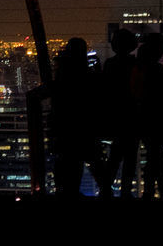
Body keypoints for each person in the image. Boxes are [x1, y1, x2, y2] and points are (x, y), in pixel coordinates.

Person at [51, 37, 103, 198]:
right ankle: (106, 189)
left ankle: (69, 191)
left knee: (71, 160)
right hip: (85, 122)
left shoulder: (62, 70)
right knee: (91, 158)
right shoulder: (86, 72)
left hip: (65, 123)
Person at [100, 28, 139, 198]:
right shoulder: (136, 64)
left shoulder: (109, 64)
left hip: (115, 115)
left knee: (115, 156)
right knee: (130, 156)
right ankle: (126, 190)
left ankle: (106, 189)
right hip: (132, 115)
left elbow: (105, 89)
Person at [132, 32, 163, 200]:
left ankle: (151, 190)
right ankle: (160, 189)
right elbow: (161, 94)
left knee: (153, 155)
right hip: (157, 117)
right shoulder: (157, 70)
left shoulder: (138, 68)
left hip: (142, 117)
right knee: (157, 155)